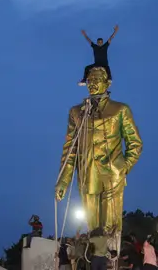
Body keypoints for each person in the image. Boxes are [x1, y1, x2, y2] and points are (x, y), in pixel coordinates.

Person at [55, 67, 143, 254]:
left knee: (111, 225)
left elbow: (135, 143)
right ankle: (96, 261)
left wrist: (123, 167)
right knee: (93, 226)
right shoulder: (76, 112)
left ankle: (111, 260)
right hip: (87, 176)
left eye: (97, 79)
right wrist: (63, 180)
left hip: (112, 176)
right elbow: (70, 150)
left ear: (107, 82)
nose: (92, 83)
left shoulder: (120, 109)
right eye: (89, 80)